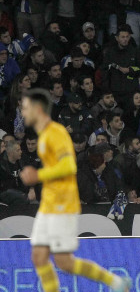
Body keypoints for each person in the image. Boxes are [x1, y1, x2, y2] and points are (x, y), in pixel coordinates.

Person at [19, 88, 132, 292]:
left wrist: (38, 176)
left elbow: (68, 166)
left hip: (63, 204)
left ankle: (113, 281)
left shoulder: (56, 133)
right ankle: (114, 282)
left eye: (26, 108)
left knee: (60, 260)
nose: (24, 113)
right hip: (51, 203)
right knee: (47, 258)